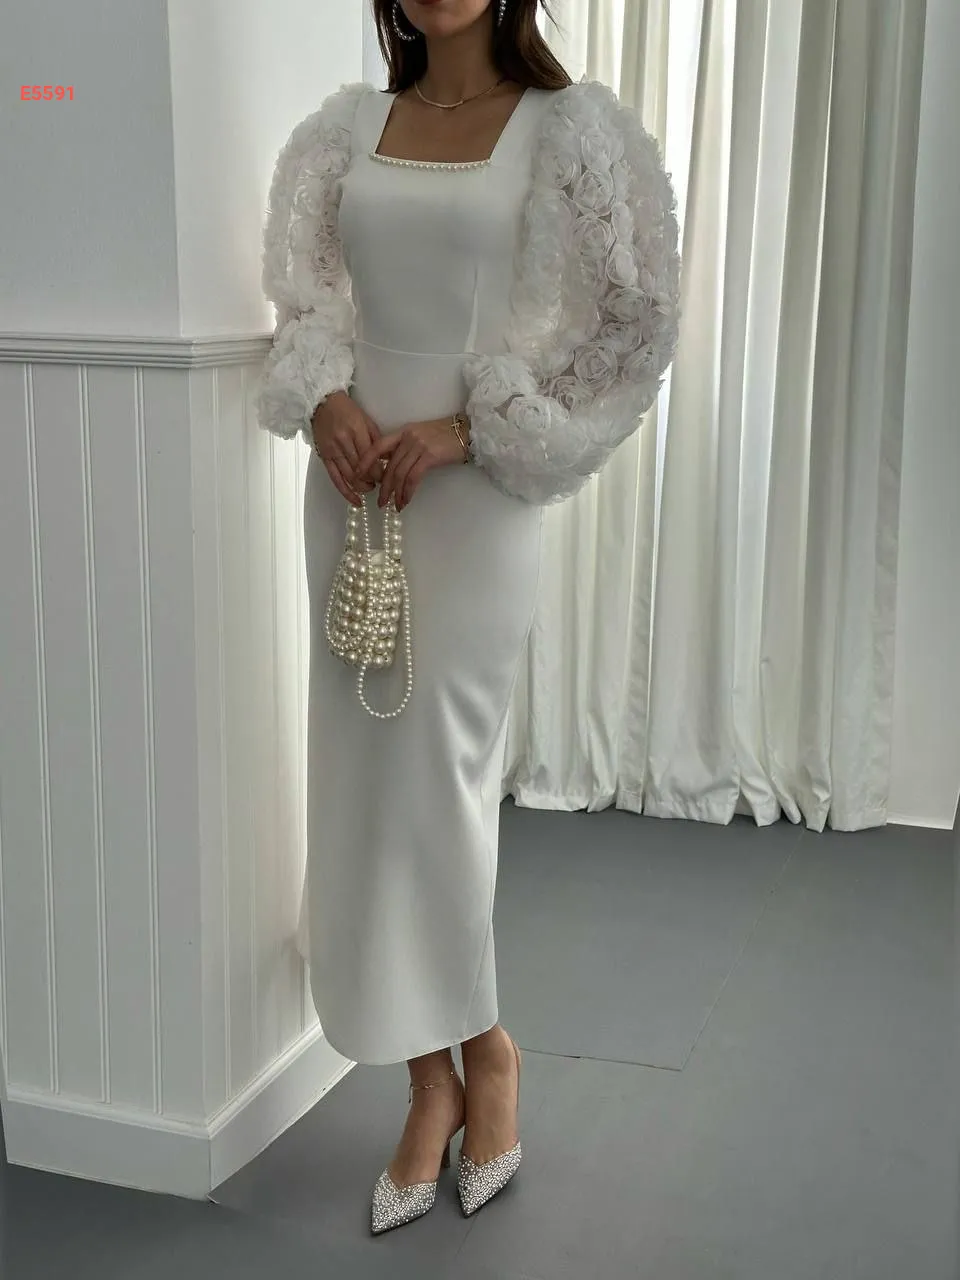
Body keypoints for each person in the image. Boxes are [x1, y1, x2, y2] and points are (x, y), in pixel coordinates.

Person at [254, 0, 681, 1236]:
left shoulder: (570, 130)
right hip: (353, 491)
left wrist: (475, 427)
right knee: (366, 788)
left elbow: (637, 323)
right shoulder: (346, 129)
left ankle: (488, 1052)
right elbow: (305, 300)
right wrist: (325, 396)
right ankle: (427, 1082)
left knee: (440, 786)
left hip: (475, 499)